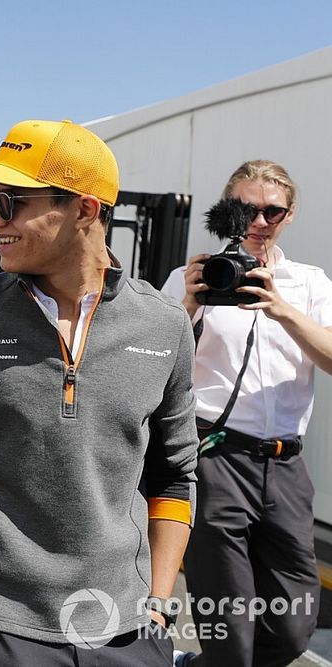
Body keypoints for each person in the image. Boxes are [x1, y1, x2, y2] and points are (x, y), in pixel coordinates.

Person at [0, 120, 199, 666]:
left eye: (10, 202)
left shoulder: (164, 325)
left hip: (123, 627)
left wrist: (160, 603)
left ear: (84, 209)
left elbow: (175, 473)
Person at [163, 160, 332, 667]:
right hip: (216, 456)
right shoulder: (192, 277)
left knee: (293, 625)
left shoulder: (309, 284)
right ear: (225, 211)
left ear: (290, 214)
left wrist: (283, 310)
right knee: (228, 629)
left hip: (284, 467)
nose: (259, 222)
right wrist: (189, 306)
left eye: (272, 212)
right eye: (245, 210)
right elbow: (149, 365)